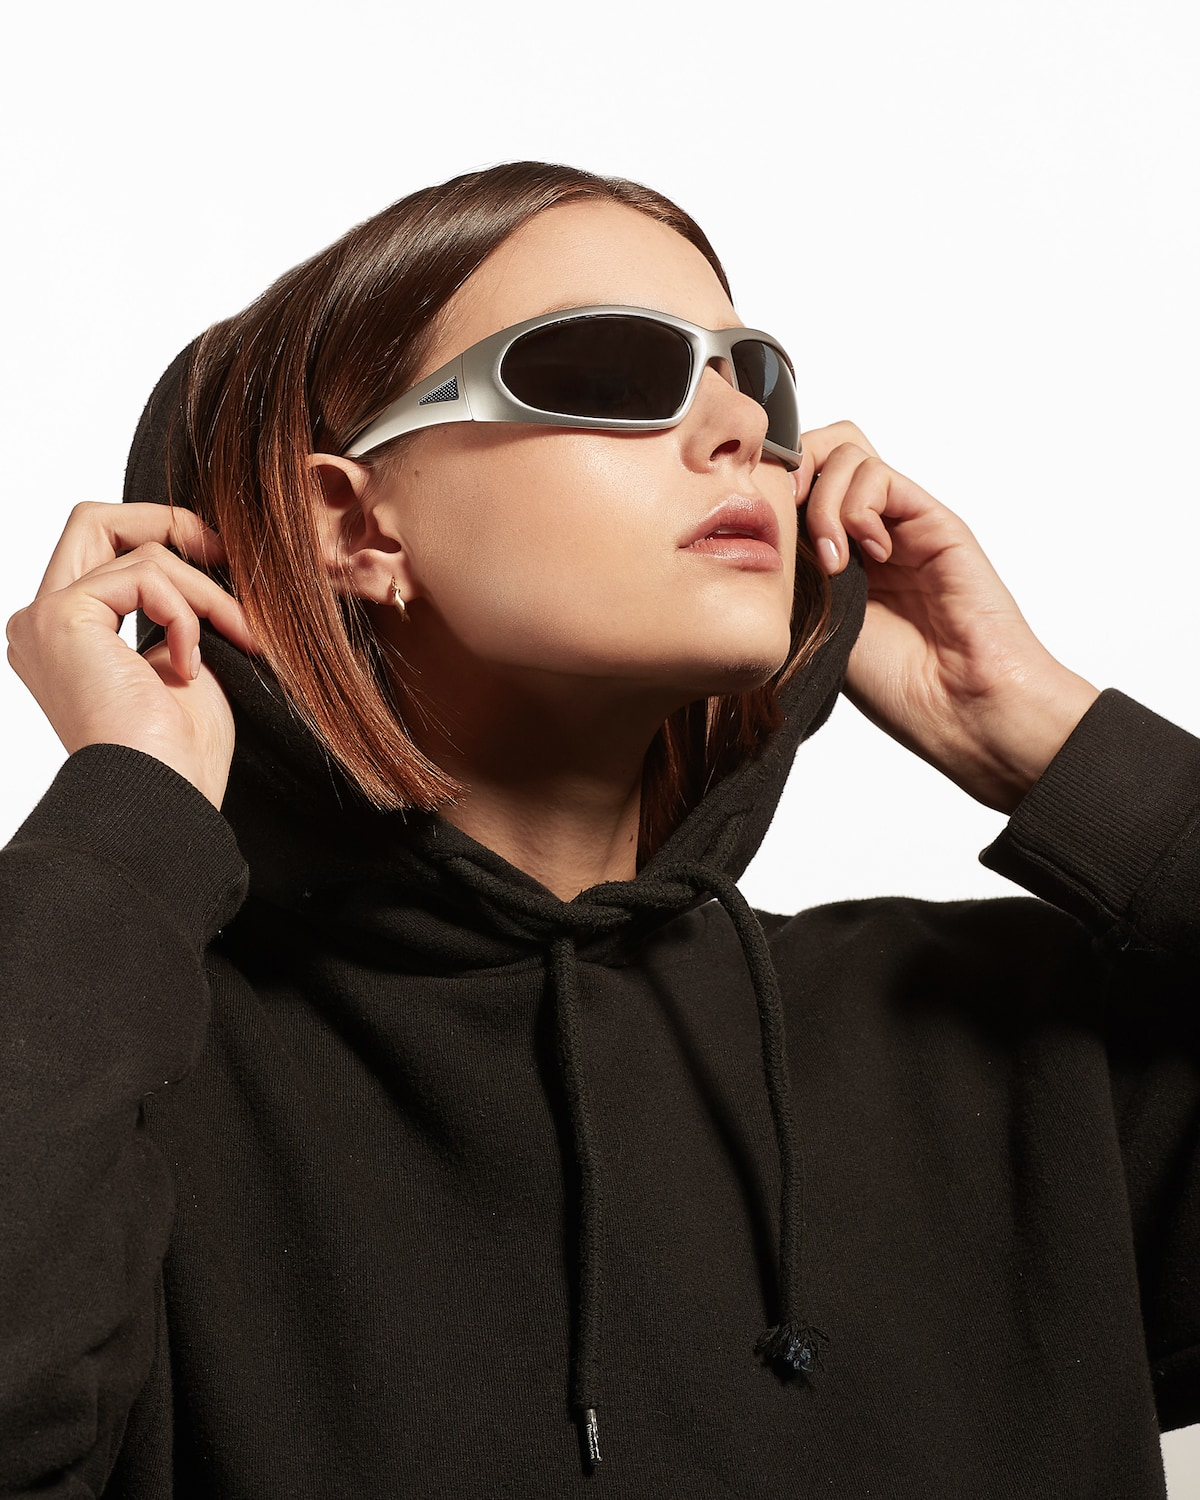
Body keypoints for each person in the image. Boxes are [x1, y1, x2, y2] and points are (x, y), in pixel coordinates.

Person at [2, 160, 1197, 1500]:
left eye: (752, 379)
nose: (738, 426)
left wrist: (1038, 730)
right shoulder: (125, 1077)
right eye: (608, 370)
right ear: (352, 522)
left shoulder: (1011, 1043)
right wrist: (129, 812)